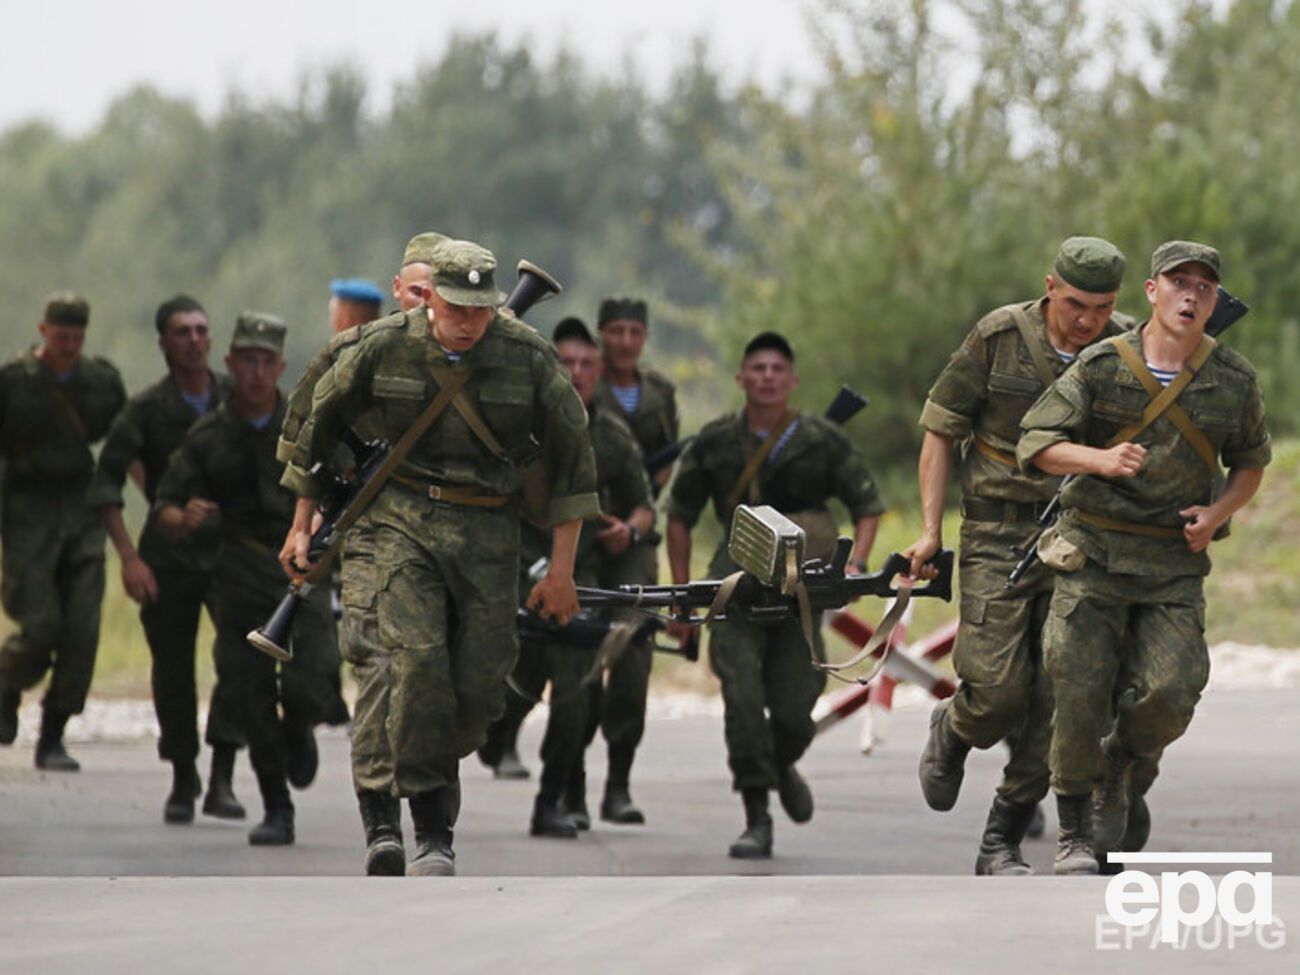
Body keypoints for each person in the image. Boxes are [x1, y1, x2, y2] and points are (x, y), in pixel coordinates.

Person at [280, 238, 599, 876]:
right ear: (429, 299)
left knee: (479, 686)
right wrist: (302, 524)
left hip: (487, 531)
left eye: (480, 311)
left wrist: (562, 570)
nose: (468, 323)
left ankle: (423, 784)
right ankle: (421, 826)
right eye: (456, 309)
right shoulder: (382, 346)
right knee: (413, 661)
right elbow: (315, 426)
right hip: (397, 521)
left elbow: (573, 463)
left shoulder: (525, 357)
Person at [1017, 241, 1269, 874]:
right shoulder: (1102, 366)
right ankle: (1073, 830)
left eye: (1204, 288)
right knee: (1077, 690)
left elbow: (1251, 462)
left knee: (1172, 690)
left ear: (1215, 300)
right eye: (1178, 283)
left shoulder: (1232, 379)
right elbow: (1037, 440)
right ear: (1152, 292)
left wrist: (1216, 515)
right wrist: (1098, 459)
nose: (1191, 296)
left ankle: (1120, 763)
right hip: (1094, 553)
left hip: (1172, 564)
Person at [903, 237, 1130, 875]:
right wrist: (929, 529)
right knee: (999, 690)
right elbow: (940, 430)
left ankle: (1001, 836)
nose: (1088, 321)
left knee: (1063, 689)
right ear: (1051, 285)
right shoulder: (998, 337)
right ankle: (954, 729)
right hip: (998, 534)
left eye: (1102, 307)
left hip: (1080, 535)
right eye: (1078, 304)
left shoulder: (1124, 348)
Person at [665, 331, 884, 858]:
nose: (766, 377)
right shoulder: (715, 441)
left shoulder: (820, 437)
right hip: (736, 585)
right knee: (741, 698)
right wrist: (680, 594)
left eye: (776, 369)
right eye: (756, 368)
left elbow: (867, 503)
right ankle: (756, 815)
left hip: (801, 590)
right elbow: (679, 515)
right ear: (741, 378)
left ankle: (782, 761)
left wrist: (854, 565)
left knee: (794, 706)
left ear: (792, 380)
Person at [156, 313, 339, 846]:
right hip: (236, 575)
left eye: (267, 362)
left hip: (302, 573)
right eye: (248, 361)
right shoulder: (209, 434)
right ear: (231, 364)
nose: (257, 373)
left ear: (281, 367)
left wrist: (324, 522)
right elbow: (165, 503)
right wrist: (181, 516)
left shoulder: (308, 429)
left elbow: (343, 488)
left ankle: (300, 725)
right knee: (248, 688)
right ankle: (276, 807)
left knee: (314, 679)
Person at [88, 295, 246, 823]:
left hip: (233, 552)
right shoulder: (146, 410)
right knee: (173, 670)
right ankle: (184, 773)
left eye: (202, 330)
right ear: (164, 343)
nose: (196, 340)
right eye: (183, 332)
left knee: (242, 660)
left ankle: (223, 771)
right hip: (169, 556)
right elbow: (105, 485)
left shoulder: (237, 399)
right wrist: (130, 559)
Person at [505, 317, 655, 837]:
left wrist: (628, 534)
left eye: (586, 364)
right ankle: (494, 740)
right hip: (510, 565)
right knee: (504, 685)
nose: (576, 372)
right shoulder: (515, 425)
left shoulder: (611, 437)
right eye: (565, 362)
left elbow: (644, 507)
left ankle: (554, 797)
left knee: (575, 689)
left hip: (577, 573)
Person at [0, 292, 126, 768]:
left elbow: (125, 441)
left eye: (76, 337)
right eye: (60, 337)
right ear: (43, 331)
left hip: (80, 508)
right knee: (40, 626)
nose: (69, 346)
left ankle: (53, 734)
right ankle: (7, 683)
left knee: (82, 630)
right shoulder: (13, 382)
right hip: (26, 511)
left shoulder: (100, 382)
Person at [567, 296, 679, 824]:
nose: (625, 342)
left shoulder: (659, 393)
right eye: (615, 331)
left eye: (635, 331)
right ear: (601, 334)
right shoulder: (578, 381)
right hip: (578, 534)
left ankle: (618, 782)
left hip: (633, 535)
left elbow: (662, 471)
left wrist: (632, 520)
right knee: (580, 662)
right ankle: (572, 781)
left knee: (633, 652)